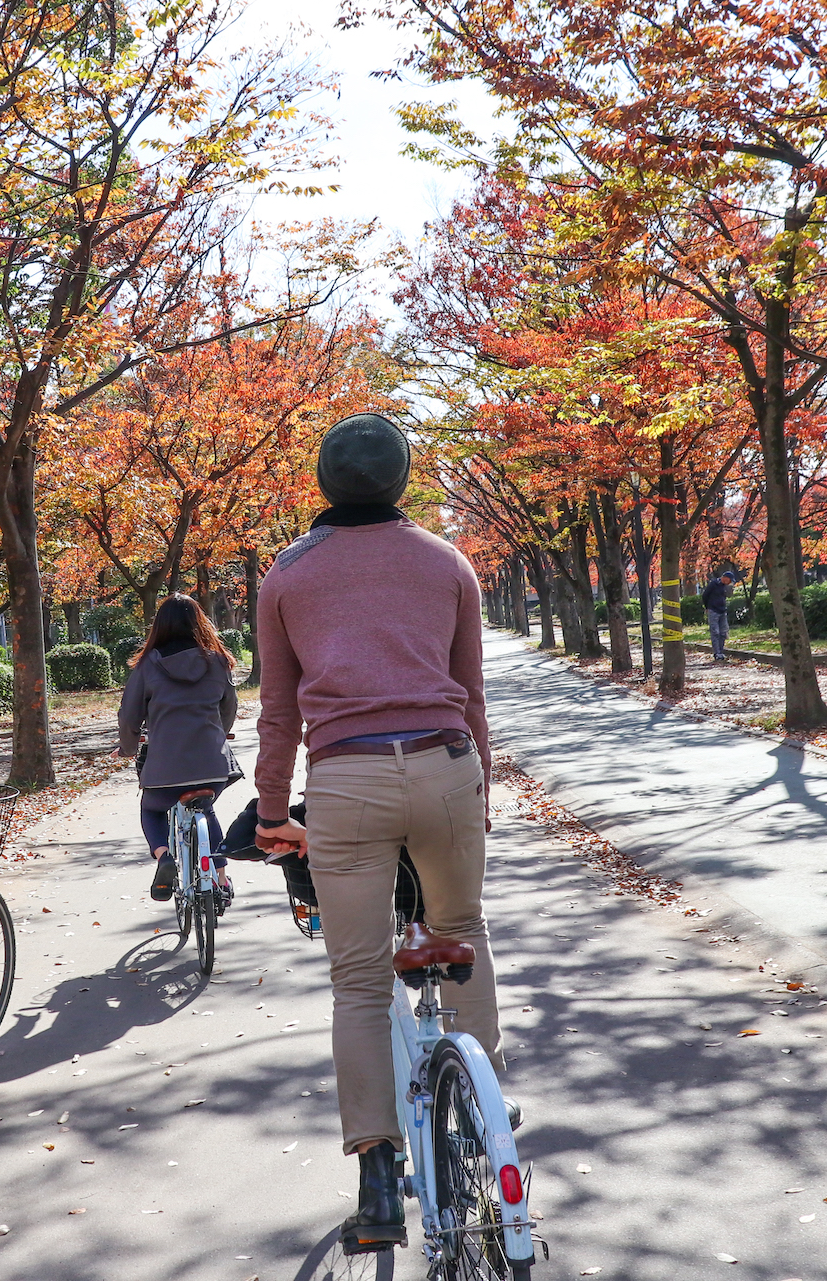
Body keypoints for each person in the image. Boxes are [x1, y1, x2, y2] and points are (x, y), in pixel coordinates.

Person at [251, 411, 504, 1252]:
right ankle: (483, 1105)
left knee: (360, 984)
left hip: (346, 783)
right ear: (402, 478)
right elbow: (469, 696)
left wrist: (274, 811)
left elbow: (279, 712)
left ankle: (377, 1181)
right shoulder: (447, 562)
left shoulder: (286, 573)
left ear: (326, 481)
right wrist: (482, 791)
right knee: (461, 930)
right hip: (445, 768)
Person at [116, 593, 241, 902]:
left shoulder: (148, 665)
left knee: (152, 810)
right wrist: (220, 735)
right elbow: (229, 707)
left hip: (165, 771)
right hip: (212, 766)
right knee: (205, 809)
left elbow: (130, 716)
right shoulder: (219, 661)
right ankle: (221, 880)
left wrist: (129, 748)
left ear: (159, 626)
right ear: (200, 622)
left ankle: (163, 857)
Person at [703, 568, 736, 662]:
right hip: (713, 610)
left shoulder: (724, 587)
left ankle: (721, 651)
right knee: (715, 632)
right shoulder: (713, 584)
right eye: (729, 580)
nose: (729, 583)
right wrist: (707, 607)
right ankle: (717, 653)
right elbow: (705, 595)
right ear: (725, 578)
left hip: (722, 610)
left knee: (723, 632)